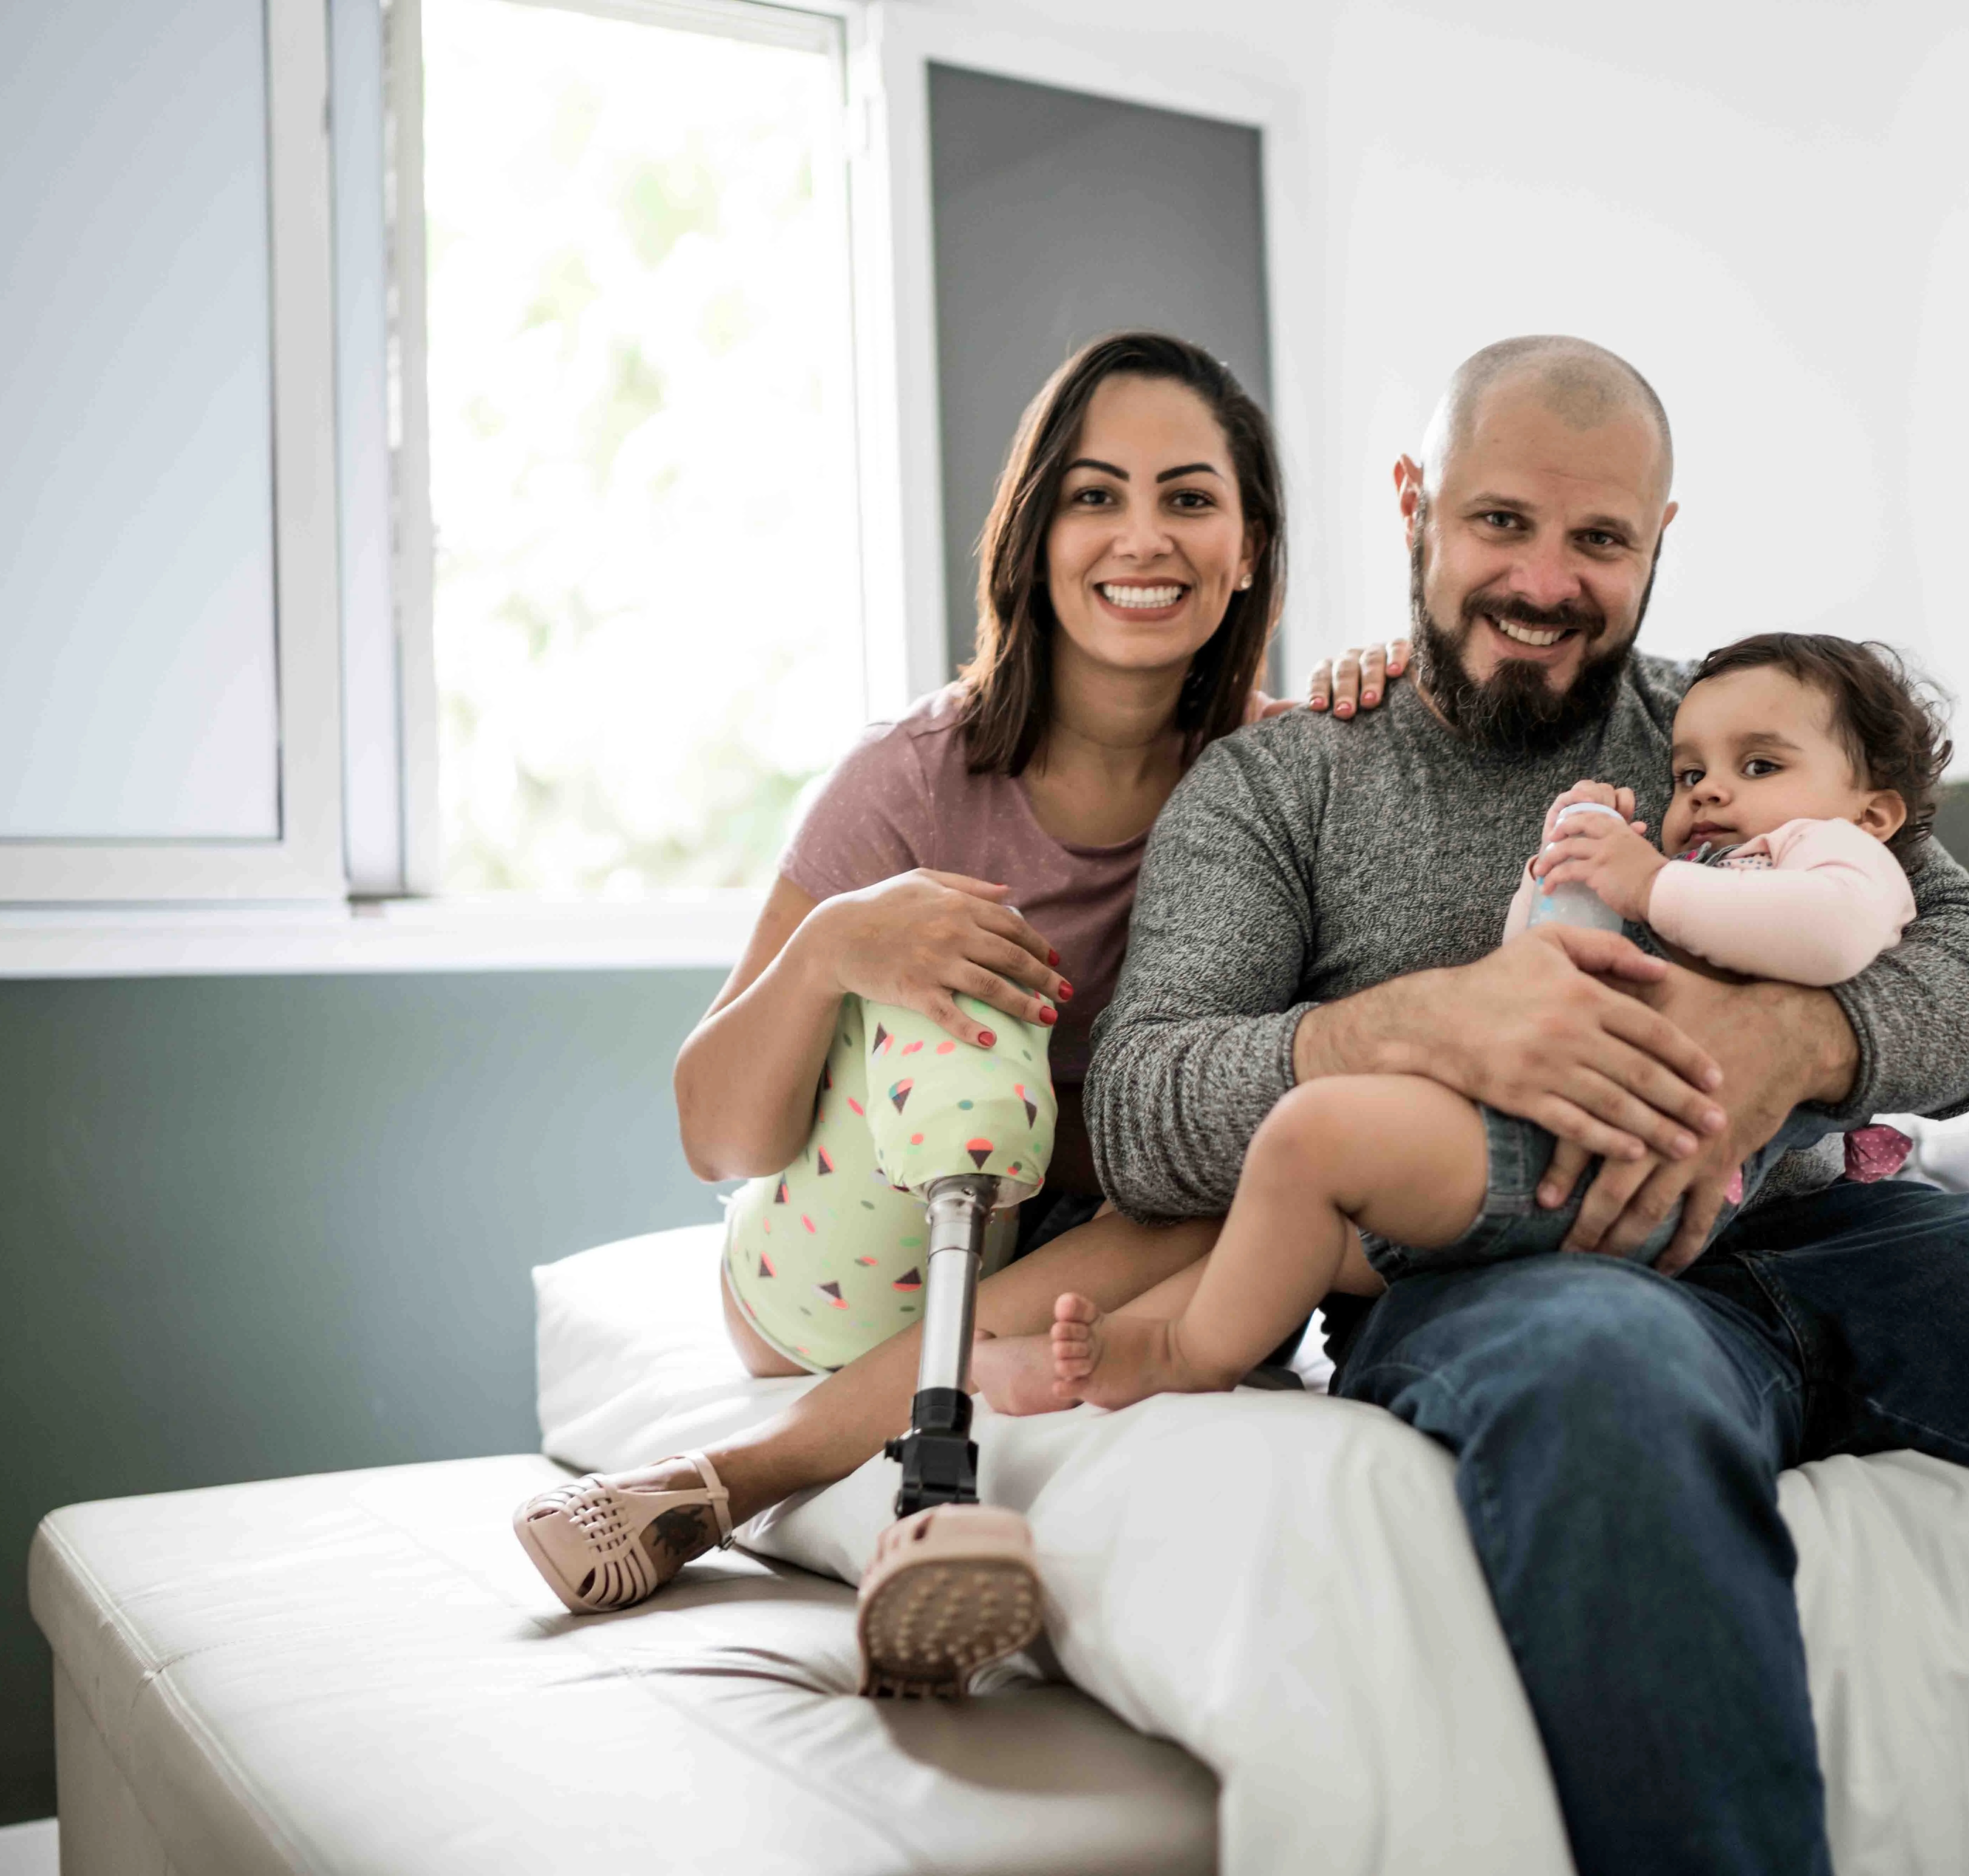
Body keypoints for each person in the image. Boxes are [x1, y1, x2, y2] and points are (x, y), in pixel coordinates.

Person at [1084, 334, 1969, 1876]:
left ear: (1658, 542)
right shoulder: (1280, 785)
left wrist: (1795, 1047)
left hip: (1869, 1234)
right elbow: (1141, 1101)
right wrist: (1424, 1025)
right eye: (1500, 524)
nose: (1545, 581)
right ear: (1413, 504)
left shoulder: (1736, 726)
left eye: (1598, 539)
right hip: (1528, 1272)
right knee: (1606, 1431)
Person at [507, 331, 1408, 1685]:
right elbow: (717, 1140)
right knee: (972, 980)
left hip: (1100, 1252)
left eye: (1189, 498)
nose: (1142, 537)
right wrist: (831, 950)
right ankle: (746, 1475)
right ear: (1034, 533)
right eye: (1094, 495)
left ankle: (823, 1496)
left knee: (1258, 1157)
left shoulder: (1283, 779)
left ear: (1247, 547)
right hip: (852, 1261)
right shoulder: (914, 776)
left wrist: (1394, 711)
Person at [1040, 632, 1938, 1410]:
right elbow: (1534, 968)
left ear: (1875, 812)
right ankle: (1141, 1348)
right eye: (1689, 773)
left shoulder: (1831, 856)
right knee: (1309, 1230)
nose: (1706, 794)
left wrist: (1652, 884)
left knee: (1310, 1141)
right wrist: (1560, 878)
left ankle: (1186, 1353)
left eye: (1758, 767)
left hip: (1626, 1166)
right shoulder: (1711, 868)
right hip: (1556, 1145)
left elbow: (1830, 939)